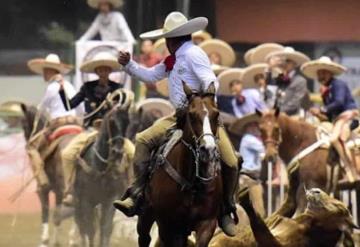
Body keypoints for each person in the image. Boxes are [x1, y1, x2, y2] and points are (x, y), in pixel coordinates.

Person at [113, 11, 240, 236]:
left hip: (200, 116)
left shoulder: (193, 53)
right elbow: (151, 76)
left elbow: (211, 80)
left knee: (230, 160)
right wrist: (129, 65)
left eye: (167, 38)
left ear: (172, 39)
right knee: (143, 139)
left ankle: (226, 208)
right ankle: (138, 194)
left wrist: (202, 103)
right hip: (179, 115)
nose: (166, 43)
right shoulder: (172, 59)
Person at [59, 52, 123, 205]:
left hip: (112, 132)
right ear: (96, 71)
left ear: (110, 71)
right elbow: (70, 105)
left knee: (131, 152)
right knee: (67, 154)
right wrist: (62, 90)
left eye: (106, 69)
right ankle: (70, 191)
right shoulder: (87, 88)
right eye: (100, 70)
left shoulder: (118, 88)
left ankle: (130, 193)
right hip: (90, 131)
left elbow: (124, 109)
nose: (103, 72)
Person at [27, 54, 81, 190]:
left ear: (51, 70)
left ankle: (42, 181)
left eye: (45, 70)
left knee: (31, 147)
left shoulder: (52, 87)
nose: (44, 73)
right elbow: (80, 108)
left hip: (58, 125)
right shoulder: (70, 85)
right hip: (75, 124)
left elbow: (41, 110)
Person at [301, 56, 359, 179]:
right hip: (337, 120)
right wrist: (319, 114)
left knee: (334, 139)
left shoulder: (339, 84)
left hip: (348, 117)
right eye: (319, 73)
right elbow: (329, 113)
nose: (320, 76)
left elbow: (339, 102)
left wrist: (321, 109)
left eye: (322, 73)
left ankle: (350, 171)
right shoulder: (325, 90)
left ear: (329, 73)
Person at [235, 114, 265, 217]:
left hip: (249, 177)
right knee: (257, 210)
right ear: (248, 127)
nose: (257, 127)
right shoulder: (249, 139)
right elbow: (264, 148)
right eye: (254, 125)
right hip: (249, 178)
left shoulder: (248, 139)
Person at [265, 46, 310, 116]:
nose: (284, 63)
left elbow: (295, 103)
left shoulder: (300, 81)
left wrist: (277, 111)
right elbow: (268, 83)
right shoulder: (279, 79)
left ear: (294, 64)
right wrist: (269, 68)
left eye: (288, 61)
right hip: (278, 116)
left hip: (293, 117)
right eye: (283, 61)